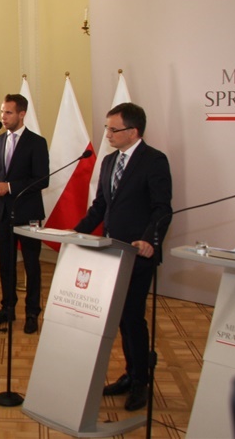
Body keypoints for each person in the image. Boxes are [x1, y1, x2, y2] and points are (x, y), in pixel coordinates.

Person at [74, 103, 172, 411]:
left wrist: (150, 240)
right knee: (120, 317)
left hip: (138, 254)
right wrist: (74, 234)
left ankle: (141, 380)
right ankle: (130, 373)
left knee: (132, 316)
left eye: (113, 129)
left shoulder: (154, 160)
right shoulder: (108, 161)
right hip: (111, 252)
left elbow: (162, 208)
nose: (108, 134)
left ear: (133, 131)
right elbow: (100, 207)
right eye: (107, 128)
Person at [0, 94, 50, 334]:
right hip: (3, 213)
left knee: (31, 265)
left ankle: (32, 312)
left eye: (8, 112)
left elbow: (42, 179)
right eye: (2, 112)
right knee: (6, 264)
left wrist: (10, 187)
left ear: (22, 114)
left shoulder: (36, 142)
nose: (3, 117)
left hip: (28, 213)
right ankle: (7, 308)